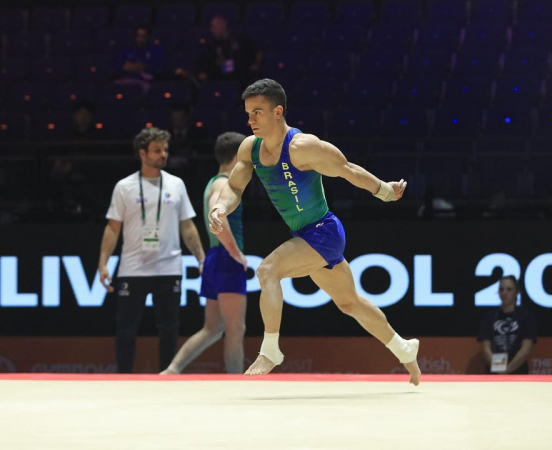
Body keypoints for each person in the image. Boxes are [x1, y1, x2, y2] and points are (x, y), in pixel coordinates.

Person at [208, 79, 421, 384]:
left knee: (267, 270)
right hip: (306, 236)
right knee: (350, 303)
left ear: (278, 111)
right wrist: (219, 208)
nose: (250, 120)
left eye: (257, 112)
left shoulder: (302, 146)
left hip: (324, 231)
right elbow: (233, 187)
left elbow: (347, 169)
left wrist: (386, 191)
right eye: (248, 113)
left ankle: (271, 349)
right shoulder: (250, 149)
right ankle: (406, 351)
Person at [98, 127, 206, 373]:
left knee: (169, 328)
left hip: (168, 267)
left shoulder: (176, 184)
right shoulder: (124, 187)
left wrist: (201, 257)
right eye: (157, 150)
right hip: (133, 268)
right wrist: (103, 263)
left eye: (165, 150)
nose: (163, 155)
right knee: (126, 329)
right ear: (142, 153)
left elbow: (187, 225)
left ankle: (167, 376)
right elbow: (112, 228)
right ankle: (123, 377)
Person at [161, 132, 248, 374]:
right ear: (237, 158)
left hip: (214, 258)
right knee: (235, 328)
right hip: (225, 258)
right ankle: (236, 381)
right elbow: (216, 218)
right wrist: (236, 253)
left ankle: (172, 370)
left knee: (213, 328)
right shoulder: (223, 183)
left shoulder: (212, 182)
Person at [477, 276, 536, 374]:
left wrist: (508, 369)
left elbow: (526, 348)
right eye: (501, 289)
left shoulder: (526, 317)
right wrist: (498, 369)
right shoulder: (489, 317)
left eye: (509, 289)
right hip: (494, 372)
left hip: (518, 372)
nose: (504, 293)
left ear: (517, 292)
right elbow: (486, 348)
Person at [197, 15, 262, 86]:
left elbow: (257, 52)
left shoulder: (240, 39)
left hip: (242, 80)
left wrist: (256, 65)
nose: (212, 30)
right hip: (221, 81)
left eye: (214, 26)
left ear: (223, 25)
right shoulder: (212, 45)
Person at [114, 24, 165, 94]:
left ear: (148, 37)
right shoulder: (127, 50)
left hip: (145, 81)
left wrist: (142, 66)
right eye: (138, 36)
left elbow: (157, 68)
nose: (140, 39)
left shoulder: (155, 51)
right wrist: (134, 67)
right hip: (127, 79)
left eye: (143, 36)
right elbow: (120, 66)